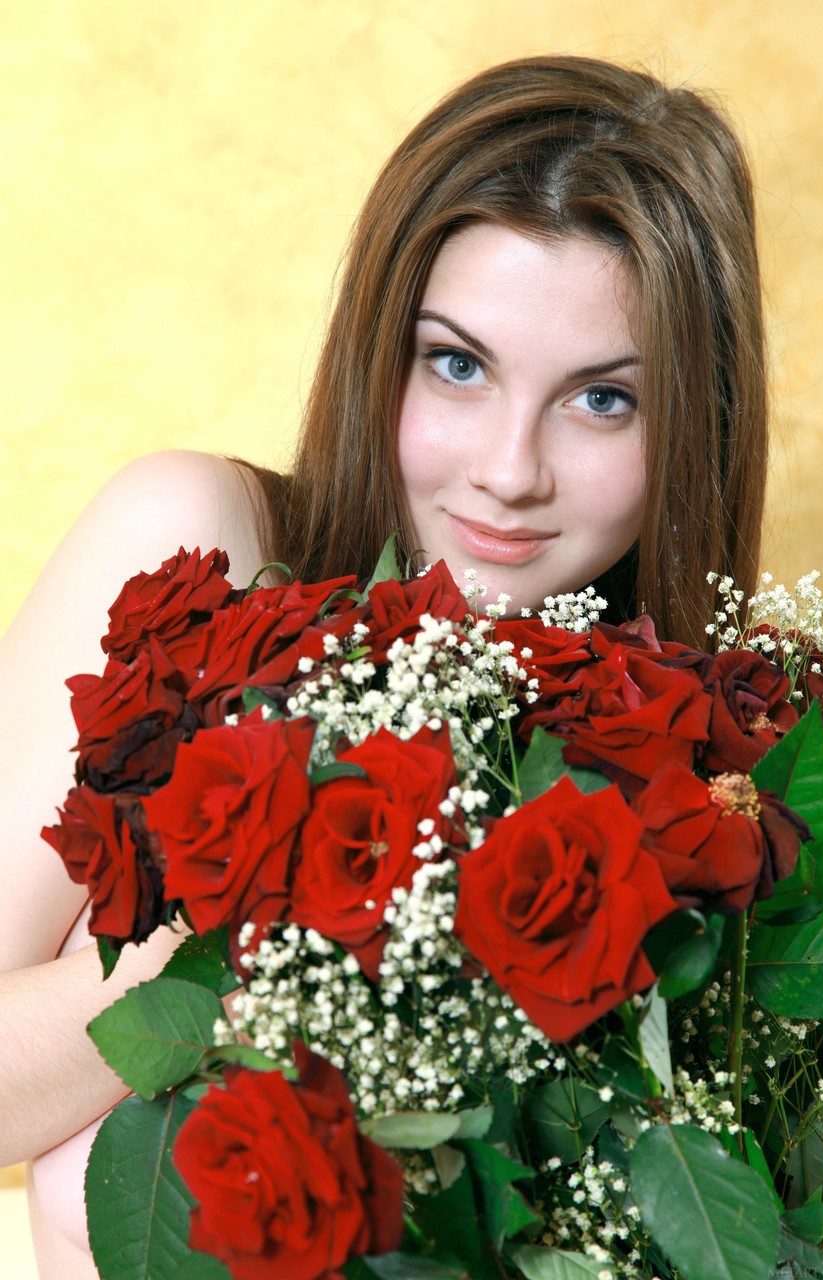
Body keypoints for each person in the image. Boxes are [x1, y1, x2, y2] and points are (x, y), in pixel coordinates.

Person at [0, 54, 767, 1278]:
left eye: (603, 399)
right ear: (379, 351)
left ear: (698, 417)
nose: (509, 470)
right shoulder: (205, 550)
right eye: (455, 363)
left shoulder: (722, 807)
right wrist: (249, 936)